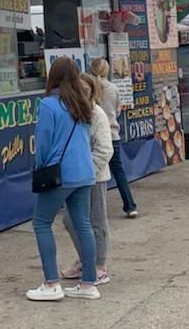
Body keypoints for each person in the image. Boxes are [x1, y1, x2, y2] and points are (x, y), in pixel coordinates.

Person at [26, 57, 100, 300]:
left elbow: (43, 142)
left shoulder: (49, 104)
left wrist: (40, 167)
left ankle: (51, 284)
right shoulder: (83, 103)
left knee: (41, 222)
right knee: (83, 225)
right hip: (85, 171)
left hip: (61, 172)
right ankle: (89, 282)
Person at [61, 72, 113, 285]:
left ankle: (99, 267)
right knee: (69, 220)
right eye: (77, 89)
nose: (81, 93)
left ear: (92, 92)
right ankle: (85, 259)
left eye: (86, 90)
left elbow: (105, 149)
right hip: (74, 177)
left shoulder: (97, 114)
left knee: (96, 221)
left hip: (94, 177)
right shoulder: (69, 113)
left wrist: (85, 169)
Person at [89, 57, 139, 217]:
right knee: (119, 171)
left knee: (91, 172)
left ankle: (89, 209)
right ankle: (130, 206)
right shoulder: (113, 88)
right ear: (106, 70)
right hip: (112, 134)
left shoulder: (86, 88)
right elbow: (117, 111)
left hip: (91, 136)